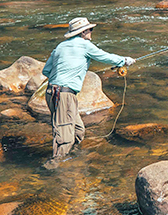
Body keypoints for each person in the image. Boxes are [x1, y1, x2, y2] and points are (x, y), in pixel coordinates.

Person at [42, 17, 134, 168]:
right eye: (90, 29)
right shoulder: (84, 45)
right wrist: (124, 61)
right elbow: (105, 57)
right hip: (64, 94)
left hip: (51, 92)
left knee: (78, 130)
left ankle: (73, 158)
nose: (91, 32)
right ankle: (52, 167)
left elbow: (46, 70)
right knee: (64, 136)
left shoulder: (60, 46)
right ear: (83, 32)